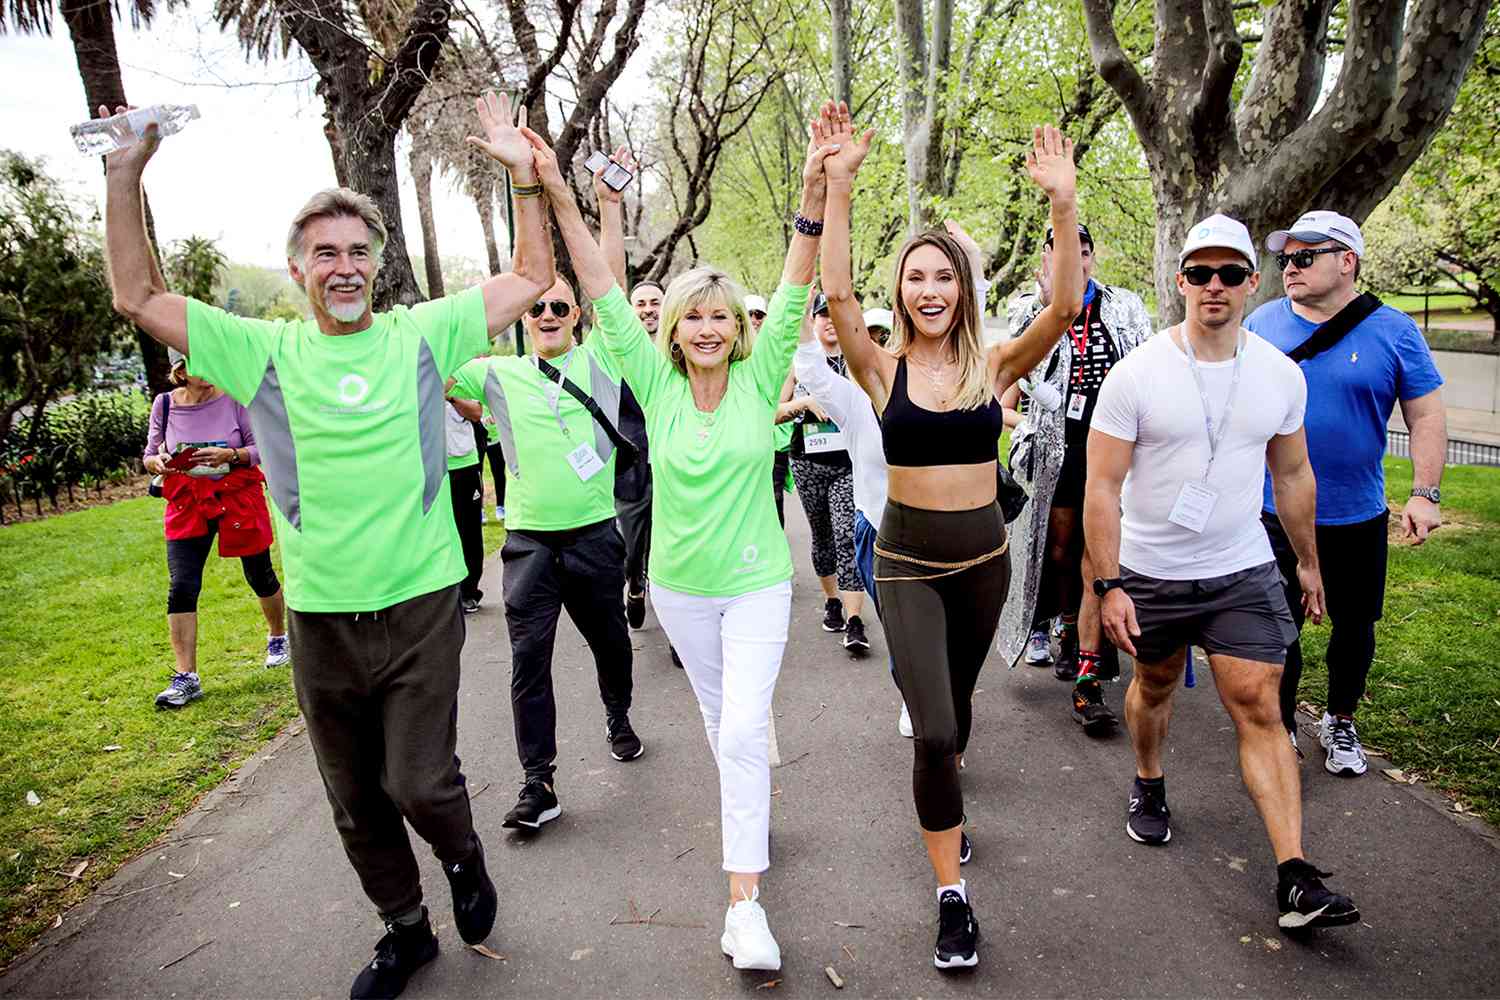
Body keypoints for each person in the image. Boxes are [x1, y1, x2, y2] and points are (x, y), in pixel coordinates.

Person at [103, 91, 554, 998]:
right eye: (326, 255)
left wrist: (524, 178)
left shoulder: (424, 332)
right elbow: (138, 295)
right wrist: (125, 174)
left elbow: (532, 276)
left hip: (422, 602)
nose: (344, 268)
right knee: (356, 798)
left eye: (358, 253)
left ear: (379, 266)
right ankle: (405, 928)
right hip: (319, 617)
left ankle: (463, 857)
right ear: (297, 268)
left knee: (421, 785)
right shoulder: (260, 353)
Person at [530, 103, 831, 973]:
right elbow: (598, 287)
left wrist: (814, 191)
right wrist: (554, 184)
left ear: (739, 330)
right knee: (722, 723)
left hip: (756, 585)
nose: (707, 328)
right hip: (680, 589)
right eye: (693, 318)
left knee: (738, 731)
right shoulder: (653, 387)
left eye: (721, 318)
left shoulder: (762, 372)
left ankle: (745, 908)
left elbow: (798, 280)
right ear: (674, 331)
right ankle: (751, 786)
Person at [822, 104, 1083, 971]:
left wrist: (1063, 205)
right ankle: (951, 899)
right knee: (933, 731)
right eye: (916, 278)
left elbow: (1067, 304)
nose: (929, 290)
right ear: (901, 290)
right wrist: (841, 184)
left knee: (959, 715)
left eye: (944, 277)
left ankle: (949, 788)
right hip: (903, 566)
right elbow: (835, 294)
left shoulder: (996, 362)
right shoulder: (879, 365)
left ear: (961, 289)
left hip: (983, 569)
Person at [1086, 213, 1360, 931]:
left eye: (1231, 274)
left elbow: (1293, 472)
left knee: (1259, 704)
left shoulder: (1278, 374)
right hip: (1151, 569)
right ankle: (1149, 780)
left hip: (1239, 566)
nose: (1216, 285)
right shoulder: (1137, 373)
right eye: (1201, 273)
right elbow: (1101, 489)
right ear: (1181, 282)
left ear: (1250, 284)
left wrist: (1307, 562)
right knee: (1155, 683)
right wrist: (1109, 583)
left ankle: (1295, 876)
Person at [1248, 211, 1446, 773]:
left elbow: (1426, 412)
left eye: (1305, 257)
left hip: (1356, 512)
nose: (1290, 267)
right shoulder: (1262, 324)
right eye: (1286, 258)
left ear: (1347, 261)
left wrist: (1425, 493)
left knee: (1354, 627)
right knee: (1274, 625)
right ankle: (1282, 724)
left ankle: (1340, 722)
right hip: (1271, 510)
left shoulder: (1395, 330)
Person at [450, 268, 644, 831]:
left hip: (594, 538)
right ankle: (539, 781)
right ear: (522, 319)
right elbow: (431, 367)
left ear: (576, 315)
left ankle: (617, 713)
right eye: (537, 310)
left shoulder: (600, 362)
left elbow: (607, 278)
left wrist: (606, 205)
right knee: (528, 663)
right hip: (528, 545)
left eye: (560, 307)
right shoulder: (496, 375)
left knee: (610, 643)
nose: (549, 317)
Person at [998, 223, 1153, 732]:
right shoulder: (1029, 309)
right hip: (1054, 446)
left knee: (1098, 554)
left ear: (1092, 255)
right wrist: (1047, 306)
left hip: (1109, 446)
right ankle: (1064, 622)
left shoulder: (1124, 305)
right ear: (1047, 258)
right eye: (1065, 252)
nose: (1076, 261)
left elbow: (1147, 365)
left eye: (1083, 252)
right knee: (1061, 548)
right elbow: (1014, 373)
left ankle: (1088, 677)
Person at [143, 348, 287, 708]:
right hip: (187, 500)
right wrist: (157, 462)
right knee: (182, 584)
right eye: (195, 365)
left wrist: (231, 456)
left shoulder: (236, 398)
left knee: (259, 573)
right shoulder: (163, 405)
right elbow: (148, 454)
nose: (206, 372)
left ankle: (278, 637)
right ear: (180, 370)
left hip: (237, 494)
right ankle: (186, 677)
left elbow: (261, 448)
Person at [778, 292, 868, 653]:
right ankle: (832, 599)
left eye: (836, 315)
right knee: (823, 536)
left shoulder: (861, 361)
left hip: (848, 463)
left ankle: (855, 620)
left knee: (848, 534)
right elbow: (773, 409)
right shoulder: (798, 363)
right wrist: (802, 404)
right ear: (813, 322)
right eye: (822, 315)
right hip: (808, 461)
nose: (830, 321)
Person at [443, 388, 486, 613]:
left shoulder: (461, 378)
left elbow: (476, 412)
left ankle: (469, 591)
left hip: (463, 467)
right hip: (431, 468)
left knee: (468, 531)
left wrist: (450, 395)